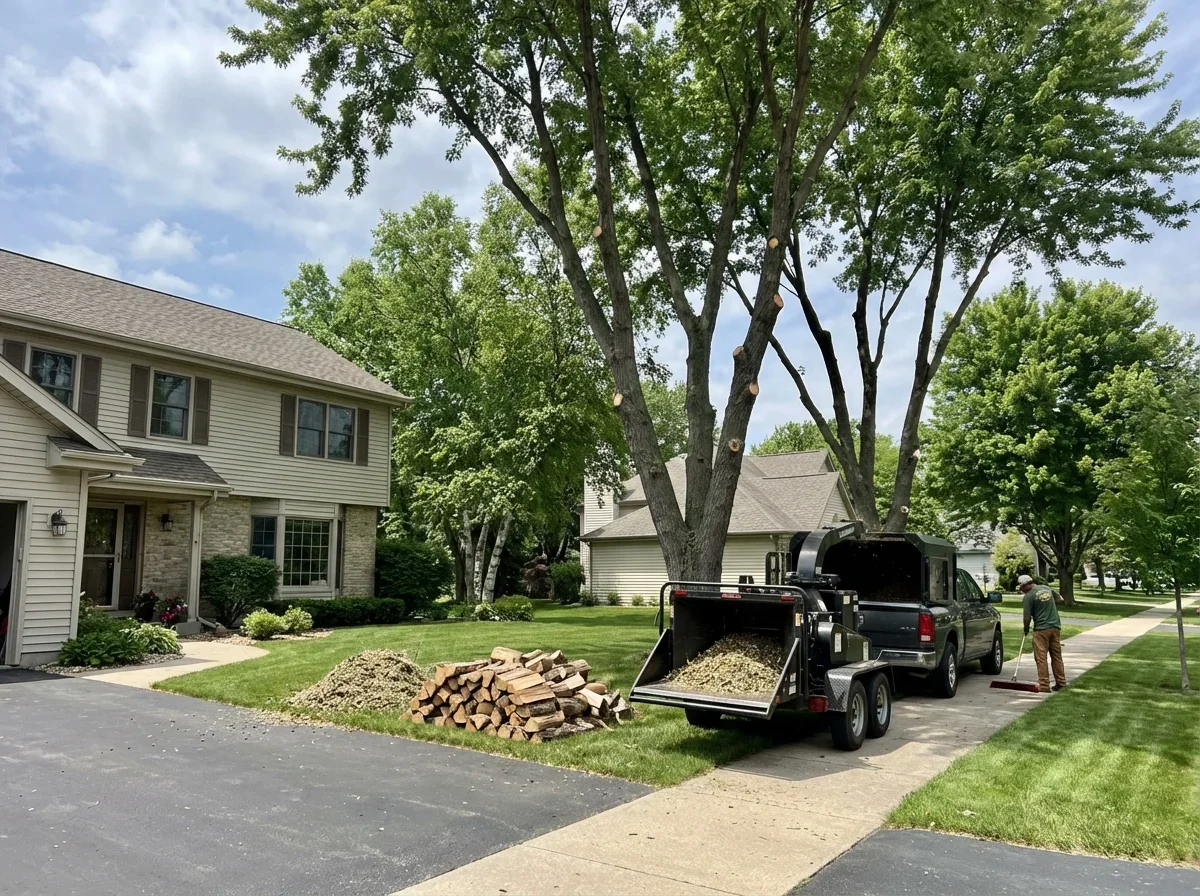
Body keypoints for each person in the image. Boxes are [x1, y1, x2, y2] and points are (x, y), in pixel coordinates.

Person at [1019, 574, 1066, 693]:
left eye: (1021, 587)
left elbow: (1027, 617)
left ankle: (1044, 685)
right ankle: (1061, 682)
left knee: (1041, 657)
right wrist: (1047, 605)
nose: (1021, 590)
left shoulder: (1029, 596)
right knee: (1056, 656)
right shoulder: (1046, 588)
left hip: (1041, 629)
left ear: (1025, 585)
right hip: (1055, 627)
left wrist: (1026, 628)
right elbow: (1060, 599)